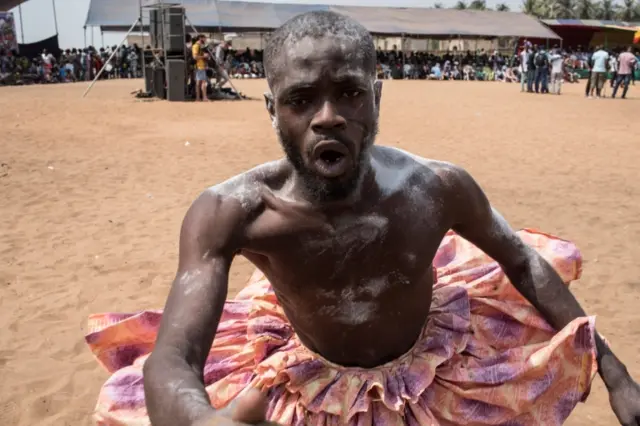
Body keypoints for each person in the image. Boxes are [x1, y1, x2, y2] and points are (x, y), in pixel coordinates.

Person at [85, 11, 640, 426]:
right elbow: (174, 358)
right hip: (307, 372)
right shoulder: (233, 212)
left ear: (376, 96)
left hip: (431, 366)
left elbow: (522, 260)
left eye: (349, 93)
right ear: (272, 109)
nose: (329, 117)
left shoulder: (436, 188)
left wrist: (616, 375)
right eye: (302, 100)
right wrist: (202, 420)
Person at [192, 35, 209, 102]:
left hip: (201, 66)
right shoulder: (196, 46)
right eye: (204, 38)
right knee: (202, 82)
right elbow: (195, 57)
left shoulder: (200, 46)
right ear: (200, 38)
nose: (205, 40)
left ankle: (199, 98)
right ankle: (203, 98)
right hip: (199, 66)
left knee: (199, 82)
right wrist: (204, 56)